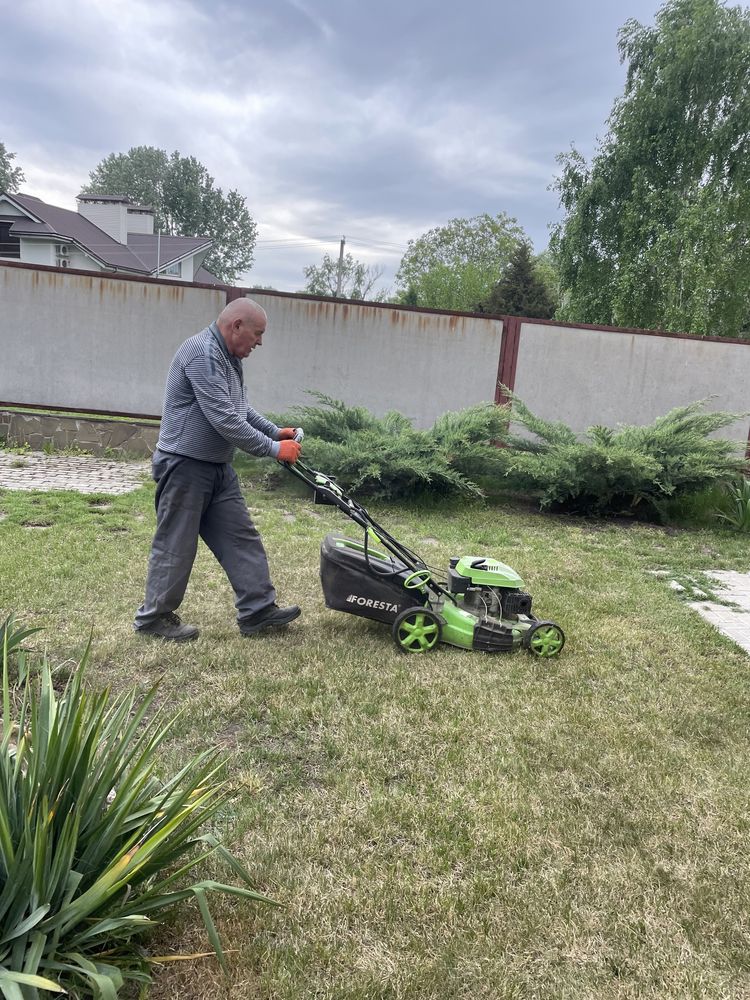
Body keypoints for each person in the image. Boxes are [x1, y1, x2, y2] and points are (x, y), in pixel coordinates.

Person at [133, 297, 302, 641]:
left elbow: (239, 408)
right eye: (257, 334)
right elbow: (224, 419)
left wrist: (274, 431)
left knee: (241, 536)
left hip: (216, 468)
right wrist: (273, 449)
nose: (259, 342)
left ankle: (257, 611)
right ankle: (153, 620)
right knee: (176, 544)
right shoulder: (202, 354)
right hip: (184, 466)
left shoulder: (228, 357)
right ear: (236, 326)